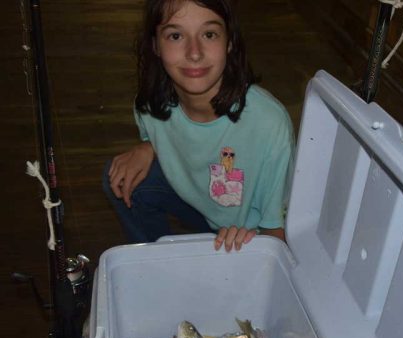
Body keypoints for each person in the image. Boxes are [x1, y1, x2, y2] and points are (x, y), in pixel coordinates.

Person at [103, 0, 295, 251]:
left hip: (254, 234)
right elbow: (179, 136)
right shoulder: (149, 105)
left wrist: (252, 249)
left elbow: (277, 232)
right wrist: (148, 146)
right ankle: (157, 263)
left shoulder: (269, 122)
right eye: (175, 35)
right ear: (155, 45)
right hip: (205, 211)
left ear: (229, 42)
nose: (194, 52)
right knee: (120, 175)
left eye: (209, 34)